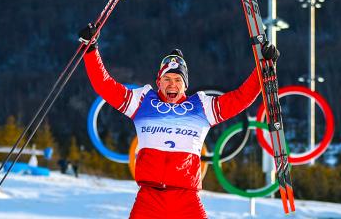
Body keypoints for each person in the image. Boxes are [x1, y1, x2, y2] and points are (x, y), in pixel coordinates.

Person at [79, 24, 279, 219]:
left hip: (187, 200)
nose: (172, 84)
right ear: (159, 82)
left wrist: (263, 67)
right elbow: (104, 85)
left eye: (178, 80)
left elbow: (240, 98)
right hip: (150, 199)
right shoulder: (141, 101)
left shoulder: (202, 106)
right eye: (167, 79)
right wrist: (91, 51)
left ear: (185, 85)